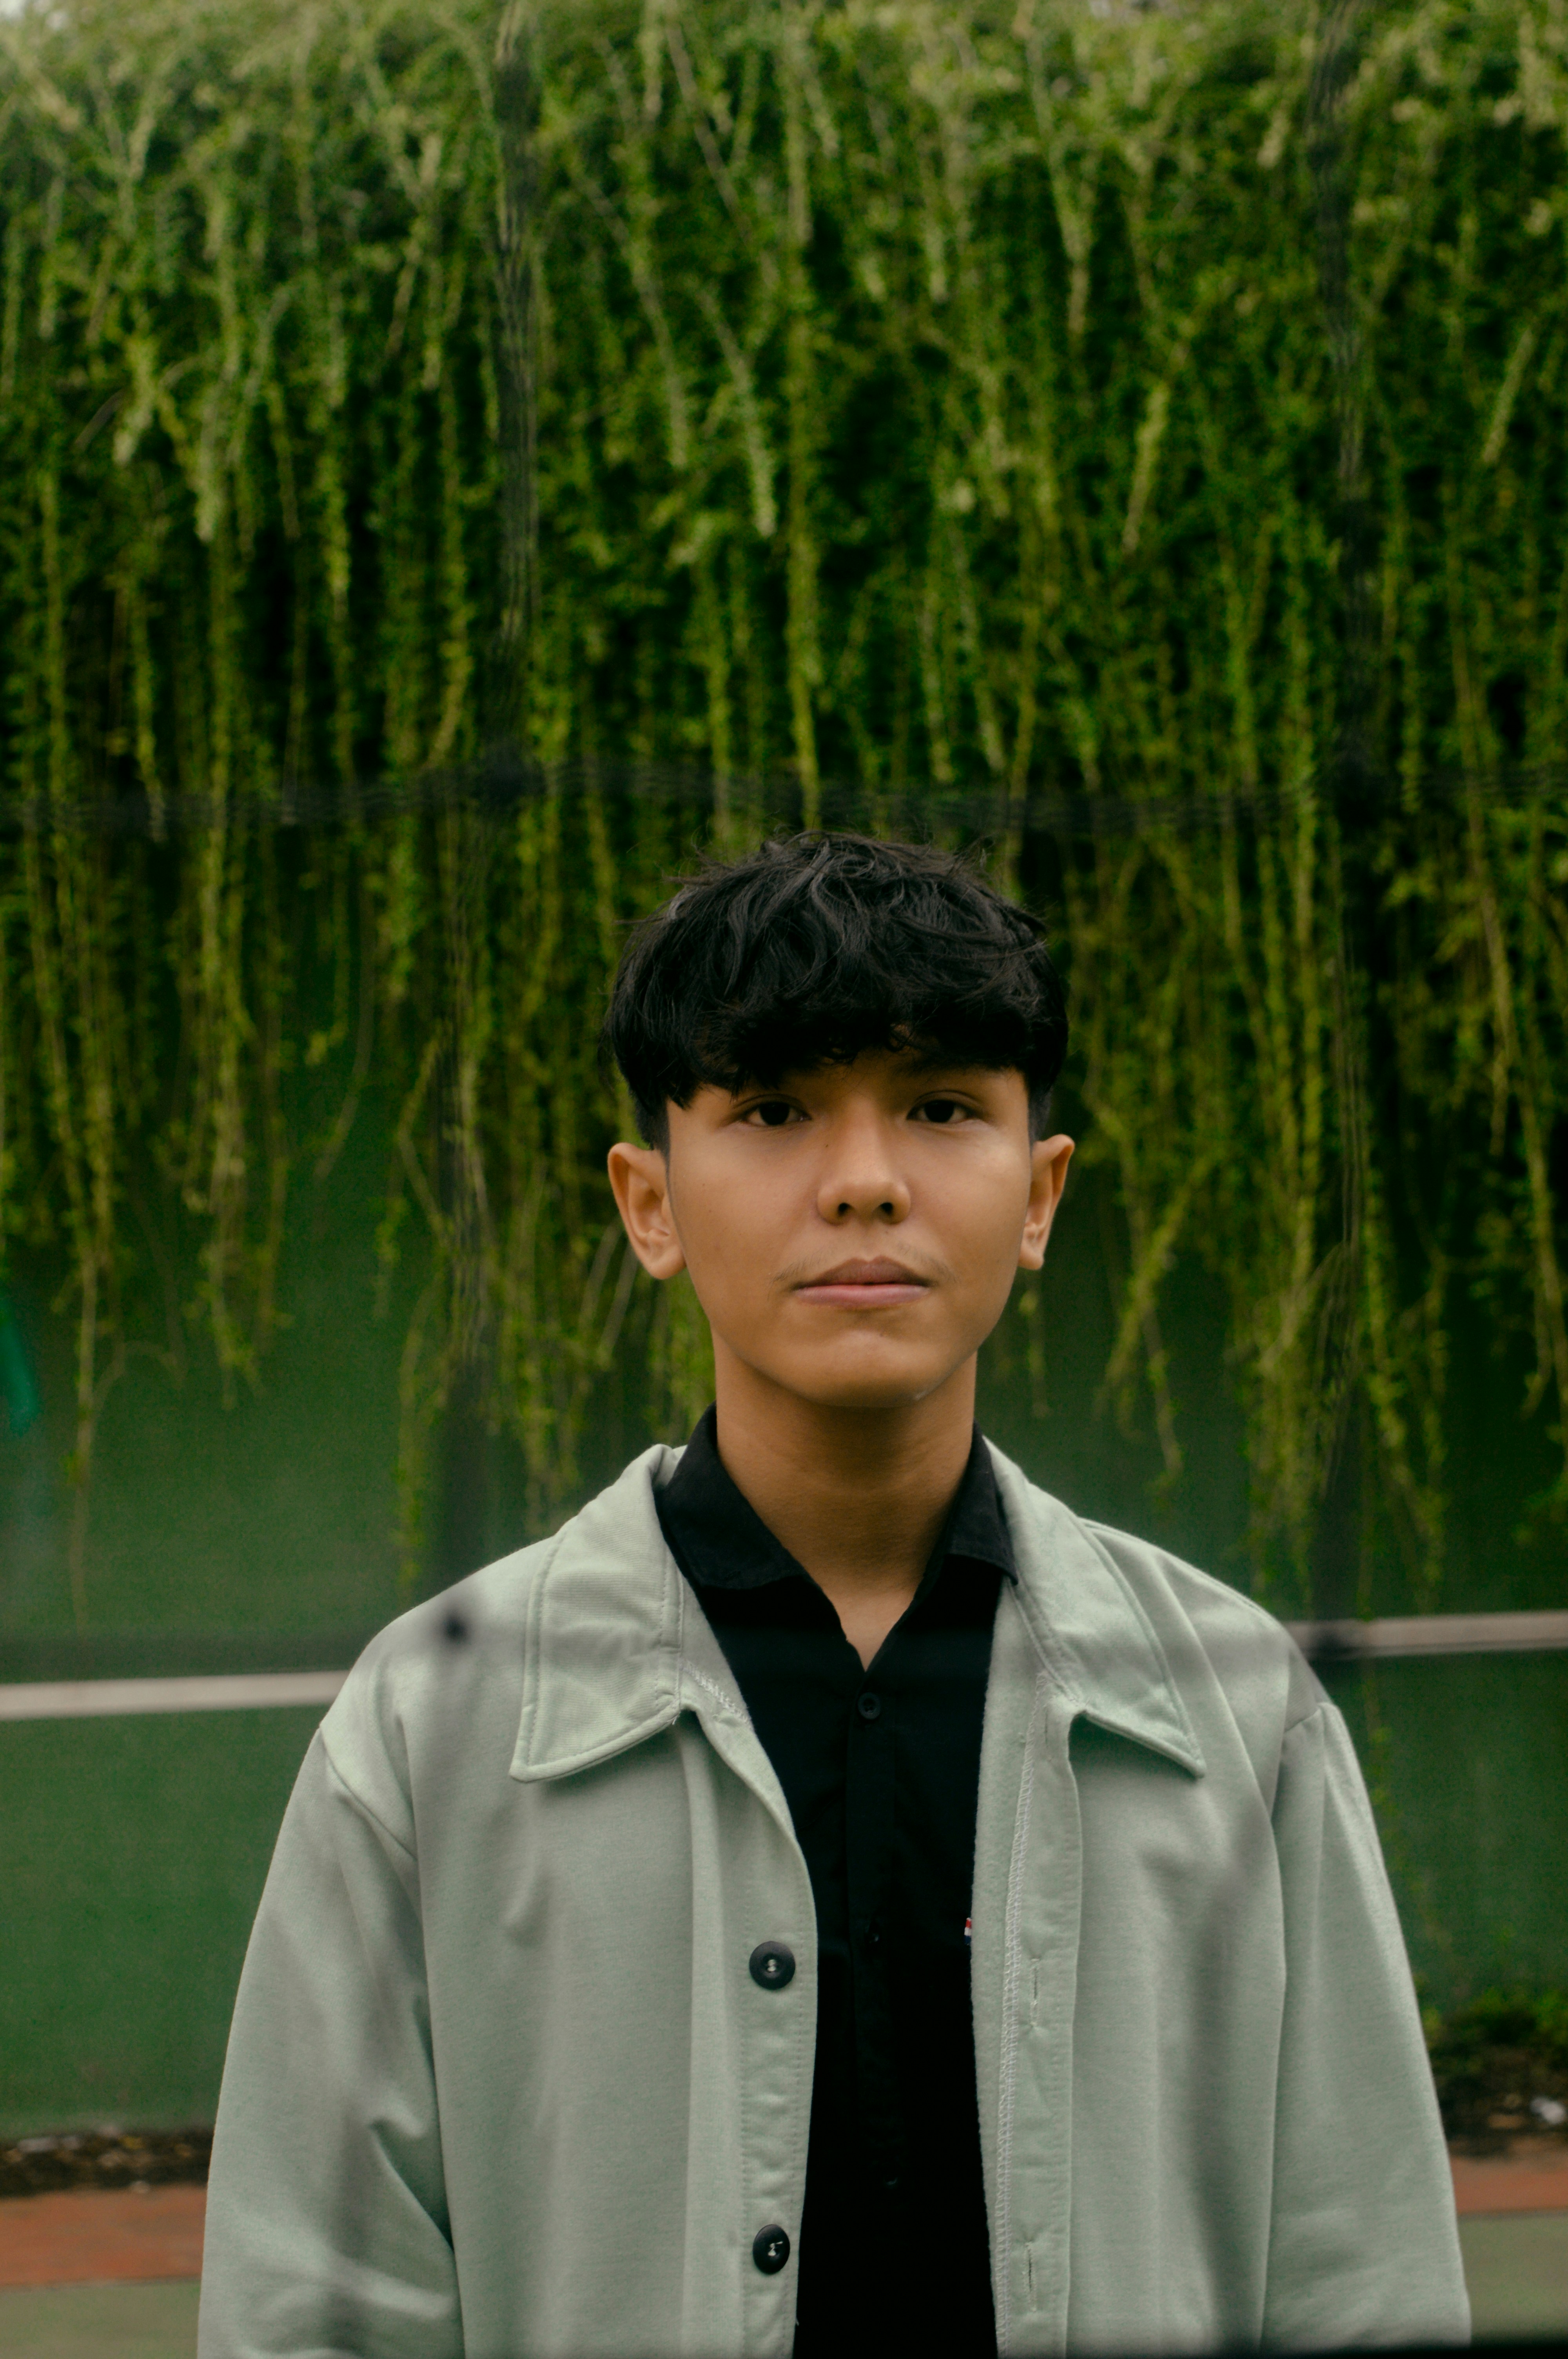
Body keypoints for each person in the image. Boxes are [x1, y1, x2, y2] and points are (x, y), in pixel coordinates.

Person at [198, 833, 1469, 2359]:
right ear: (648, 1200)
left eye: (940, 1107)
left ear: (1041, 1192)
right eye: (775, 1108)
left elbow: (1361, 2276)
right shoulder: (434, 1720)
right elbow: (313, 2316)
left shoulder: (1232, 1703)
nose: (863, 1181)